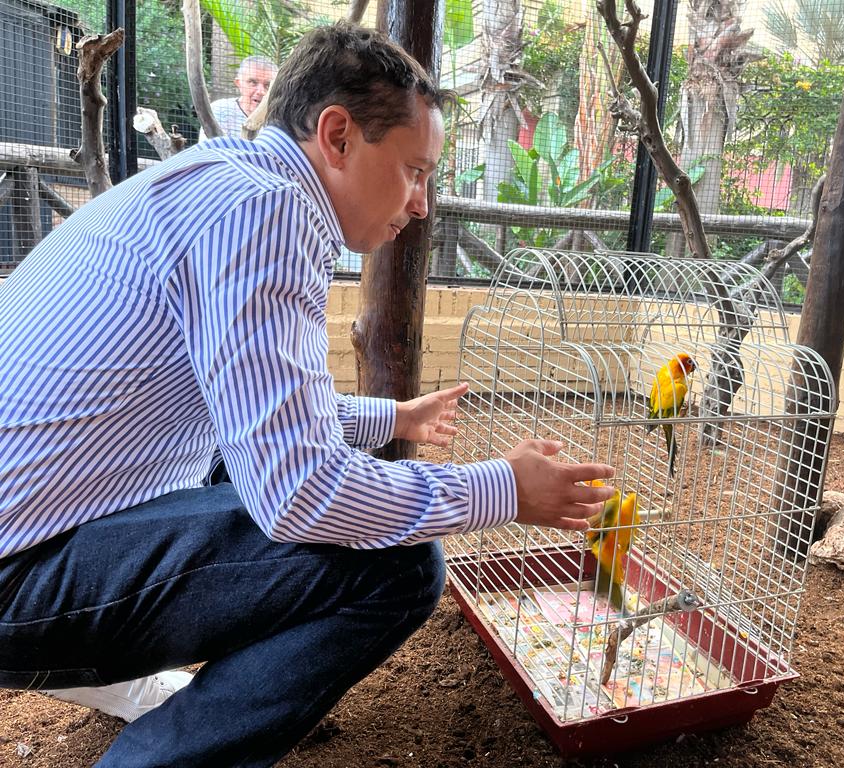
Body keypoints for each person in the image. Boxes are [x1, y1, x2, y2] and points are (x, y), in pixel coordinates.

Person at [0, 22, 615, 767]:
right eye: (416, 171)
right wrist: (502, 490)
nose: (422, 204)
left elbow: (258, 419)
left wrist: (392, 416)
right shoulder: (263, 212)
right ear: (338, 136)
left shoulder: (222, 184)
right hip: (20, 578)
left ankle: (145, 698)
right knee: (396, 562)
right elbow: (300, 490)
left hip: (36, 535)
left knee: (245, 473)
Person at [198, 55, 279, 140]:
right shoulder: (220, 110)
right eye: (253, 82)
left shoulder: (279, 119)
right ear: (238, 83)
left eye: (267, 85)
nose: (261, 91)